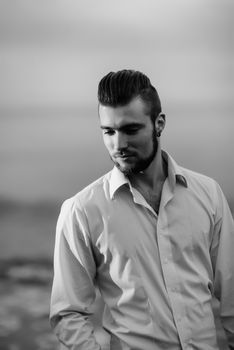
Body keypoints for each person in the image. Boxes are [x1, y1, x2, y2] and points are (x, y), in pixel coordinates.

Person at [50, 69, 234, 350]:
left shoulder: (208, 195)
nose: (118, 144)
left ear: (159, 124)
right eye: (108, 132)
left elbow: (232, 296)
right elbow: (68, 313)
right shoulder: (82, 211)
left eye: (130, 130)